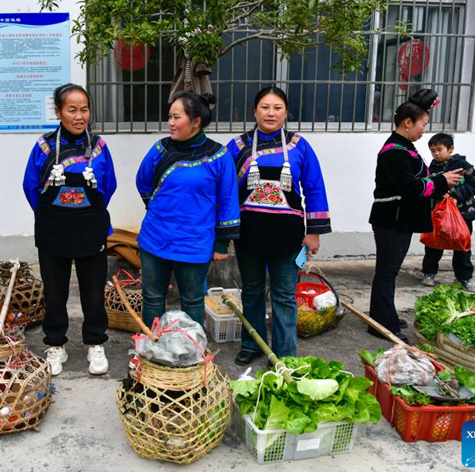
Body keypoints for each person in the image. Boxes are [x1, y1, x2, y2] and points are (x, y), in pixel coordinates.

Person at [228, 87, 331, 365]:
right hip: (249, 233)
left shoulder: (300, 147)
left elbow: (314, 188)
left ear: (286, 112)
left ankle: (285, 353)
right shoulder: (237, 147)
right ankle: (253, 344)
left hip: (287, 237)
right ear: (254, 111)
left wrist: (313, 232)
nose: (270, 113)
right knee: (251, 291)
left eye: (277, 107)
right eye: (264, 107)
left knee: (285, 296)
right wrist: (223, 230)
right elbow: (225, 190)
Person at [22, 84, 117, 376]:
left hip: (91, 228)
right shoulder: (44, 146)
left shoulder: (99, 146)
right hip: (53, 228)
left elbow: (109, 185)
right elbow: (30, 186)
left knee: (92, 291)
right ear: (58, 112)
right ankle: (55, 344)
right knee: (55, 290)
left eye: (84, 109)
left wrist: (89, 213)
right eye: (72, 109)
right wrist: (52, 214)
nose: (79, 116)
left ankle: (94, 343)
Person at [136, 91, 240, 329]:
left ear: (196, 121)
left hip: (195, 243)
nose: (170, 122)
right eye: (169, 117)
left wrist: (222, 244)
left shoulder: (219, 156)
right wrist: (155, 208)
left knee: (192, 300)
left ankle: (192, 354)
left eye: (177, 117)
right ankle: (153, 349)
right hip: (155, 239)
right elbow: (142, 181)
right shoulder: (160, 149)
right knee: (152, 298)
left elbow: (228, 201)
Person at [368, 89, 463, 342]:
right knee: (387, 272)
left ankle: (383, 314)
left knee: (389, 271)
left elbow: (417, 181)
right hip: (392, 219)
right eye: (423, 125)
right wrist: (442, 181)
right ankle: (381, 323)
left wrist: (440, 179)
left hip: (399, 218)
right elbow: (410, 187)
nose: (424, 130)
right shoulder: (394, 151)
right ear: (408, 123)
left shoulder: (404, 147)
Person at [421, 133, 475, 293]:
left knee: (462, 247)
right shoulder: (431, 168)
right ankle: (429, 273)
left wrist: (455, 196)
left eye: (439, 149)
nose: (436, 154)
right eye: (433, 151)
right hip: (439, 215)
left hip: (462, 215)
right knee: (433, 245)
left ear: (451, 148)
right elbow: (429, 186)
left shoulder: (462, 165)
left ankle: (464, 278)